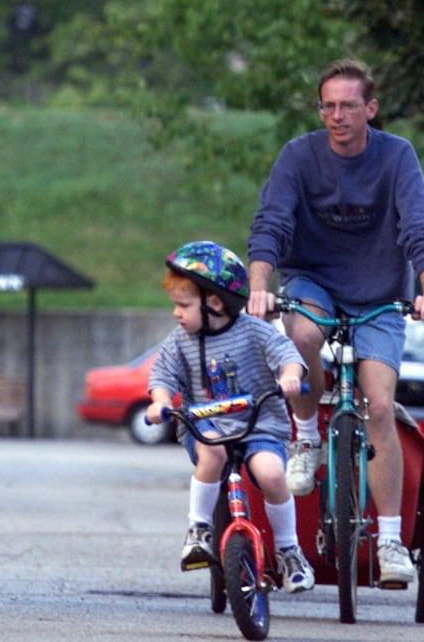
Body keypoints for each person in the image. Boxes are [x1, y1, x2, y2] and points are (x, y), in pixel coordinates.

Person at [244, 59, 424, 589]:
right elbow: (271, 224)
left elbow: (421, 226)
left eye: (348, 105)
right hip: (314, 280)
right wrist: (259, 286)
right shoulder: (299, 157)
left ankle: (391, 542)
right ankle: (306, 437)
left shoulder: (397, 156)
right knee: (304, 333)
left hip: (379, 294)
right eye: (328, 106)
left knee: (379, 404)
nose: (337, 116)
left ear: (370, 109)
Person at [146, 241, 316, 593]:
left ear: (216, 303)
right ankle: (199, 530)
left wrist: (290, 375)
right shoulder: (181, 341)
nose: (176, 313)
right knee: (213, 453)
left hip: (259, 425)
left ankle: (288, 550)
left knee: (271, 474)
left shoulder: (254, 331)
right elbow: (162, 376)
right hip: (206, 425)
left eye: (183, 305)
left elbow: (287, 353)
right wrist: (159, 402)